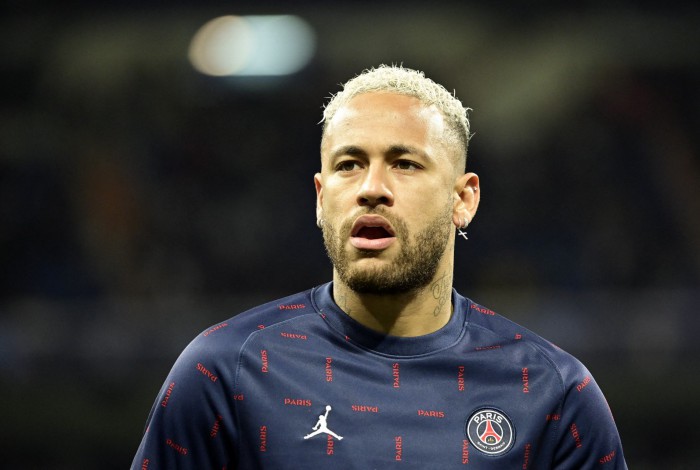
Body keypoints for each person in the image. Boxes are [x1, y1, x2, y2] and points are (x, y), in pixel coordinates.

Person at [132, 65, 627, 469]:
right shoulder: (226, 370)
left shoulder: (552, 392)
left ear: (463, 199)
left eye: (405, 163)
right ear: (321, 198)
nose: (372, 188)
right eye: (348, 164)